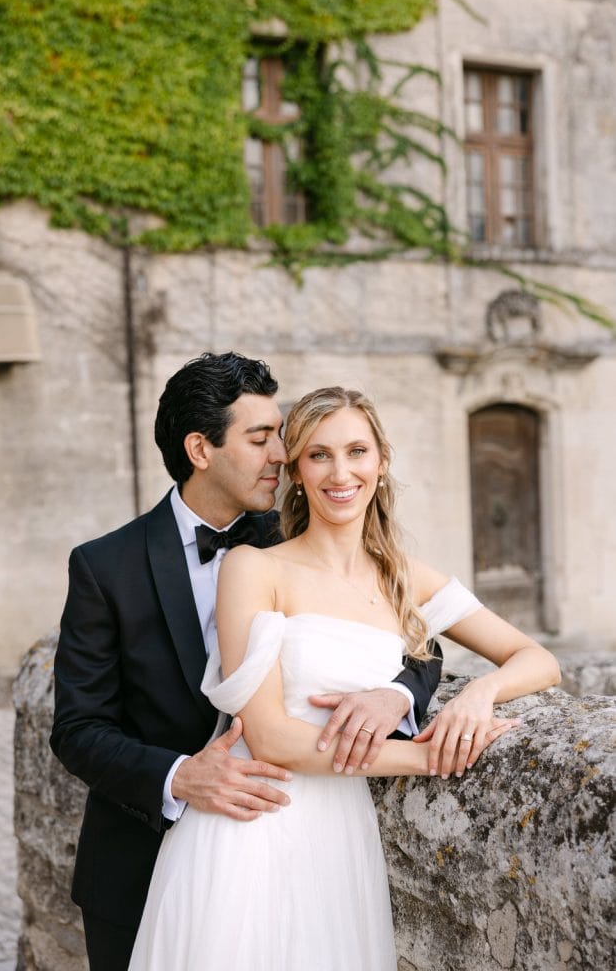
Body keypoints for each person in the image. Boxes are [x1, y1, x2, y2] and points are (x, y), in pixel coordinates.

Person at [128, 386, 561, 971]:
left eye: (357, 451)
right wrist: (428, 758)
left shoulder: (409, 579)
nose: (340, 473)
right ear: (297, 471)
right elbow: (270, 736)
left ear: (381, 463)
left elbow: (537, 659)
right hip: (251, 826)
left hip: (342, 834)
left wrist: (480, 693)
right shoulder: (254, 567)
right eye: (319, 455)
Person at [50, 355, 442, 971]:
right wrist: (181, 776)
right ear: (200, 450)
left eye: (280, 436)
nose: (283, 455)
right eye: (261, 439)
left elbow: (415, 636)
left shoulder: (300, 535)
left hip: (290, 855)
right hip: (137, 862)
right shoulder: (105, 567)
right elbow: (78, 728)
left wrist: (395, 694)